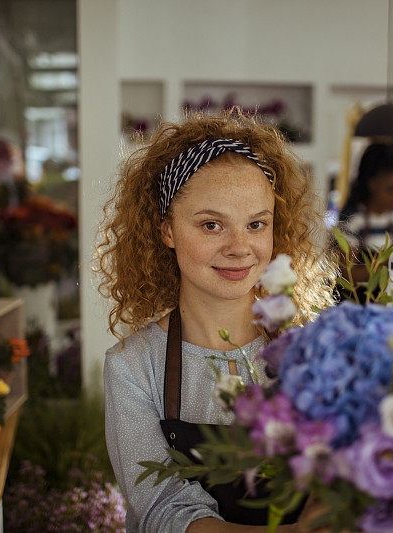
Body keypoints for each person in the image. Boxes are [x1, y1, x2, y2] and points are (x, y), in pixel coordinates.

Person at [97, 111, 334, 532]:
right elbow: (163, 508)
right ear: (166, 230)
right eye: (211, 225)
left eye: (256, 224)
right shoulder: (133, 367)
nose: (240, 248)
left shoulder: (310, 349)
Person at [335, 143, 393, 289]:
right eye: (391, 190)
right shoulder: (352, 220)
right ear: (371, 184)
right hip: (357, 303)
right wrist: (390, 256)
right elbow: (348, 276)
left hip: (389, 301)